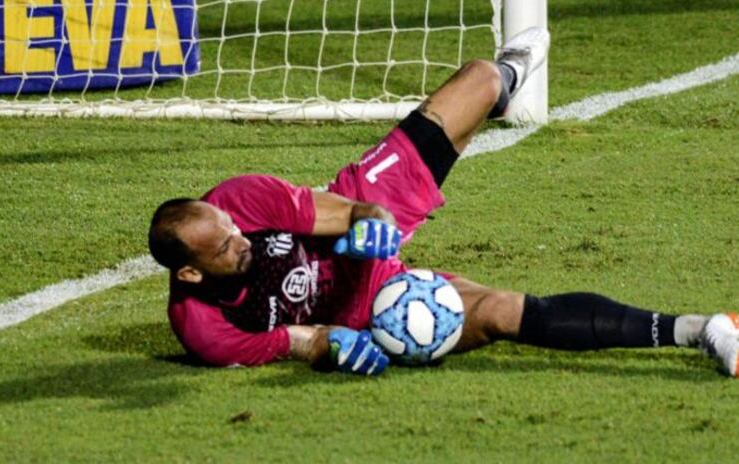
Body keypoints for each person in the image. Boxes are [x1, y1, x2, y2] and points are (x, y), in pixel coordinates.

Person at [147, 27, 738, 377]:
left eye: (233, 228)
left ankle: (504, 89)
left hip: (352, 225)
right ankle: (701, 329)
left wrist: (374, 222)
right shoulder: (203, 329)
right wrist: (337, 346)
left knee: (480, 77)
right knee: (503, 312)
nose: (241, 238)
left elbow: (346, 211)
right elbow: (300, 340)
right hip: (366, 307)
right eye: (226, 246)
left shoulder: (240, 199)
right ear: (192, 270)